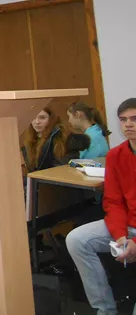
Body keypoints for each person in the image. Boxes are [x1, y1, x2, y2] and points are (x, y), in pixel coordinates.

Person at [66, 98, 136, 315]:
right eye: (123, 120)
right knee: (77, 239)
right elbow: (113, 201)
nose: (128, 124)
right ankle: (105, 309)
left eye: (134, 119)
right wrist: (121, 236)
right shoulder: (116, 155)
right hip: (127, 226)